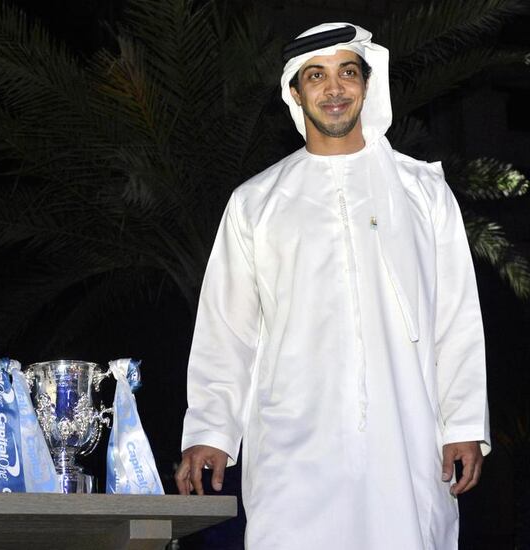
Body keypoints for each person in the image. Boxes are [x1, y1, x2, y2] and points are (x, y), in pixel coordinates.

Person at [175, 22, 490, 549]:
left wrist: (462, 422)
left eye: (347, 72)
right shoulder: (256, 202)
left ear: (367, 84)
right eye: (315, 76)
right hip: (293, 446)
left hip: (406, 439)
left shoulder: (423, 193)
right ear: (295, 93)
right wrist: (211, 432)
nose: (335, 88)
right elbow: (227, 329)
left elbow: (456, 315)